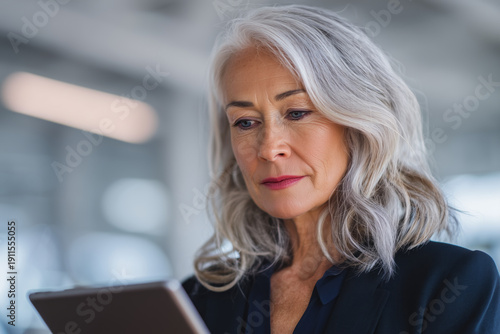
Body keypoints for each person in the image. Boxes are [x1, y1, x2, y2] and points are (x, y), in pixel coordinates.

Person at [182, 4, 500, 334]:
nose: (268, 148)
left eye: (296, 113)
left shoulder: (447, 283)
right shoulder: (196, 300)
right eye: (246, 122)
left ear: (357, 124)